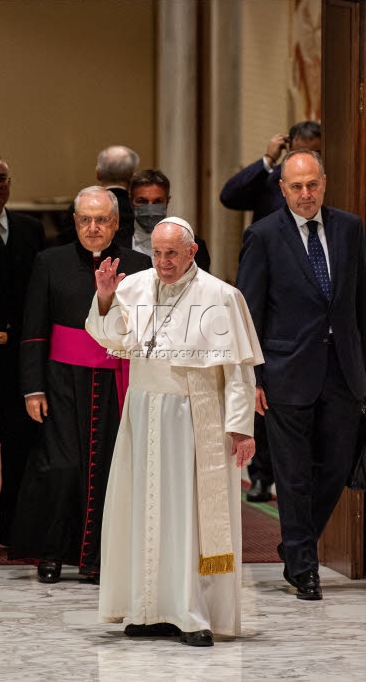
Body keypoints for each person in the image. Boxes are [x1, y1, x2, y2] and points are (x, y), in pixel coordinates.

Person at [86, 217, 263, 646]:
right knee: (144, 509)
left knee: (187, 516)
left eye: (172, 253)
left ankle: (191, 613)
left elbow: (238, 371)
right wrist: (106, 297)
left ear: (192, 252)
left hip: (194, 419)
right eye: (158, 253)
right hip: (144, 414)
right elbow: (108, 337)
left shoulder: (222, 296)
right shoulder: (135, 287)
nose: (163, 262)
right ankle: (147, 609)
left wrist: (241, 428)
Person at [236, 150, 366, 601]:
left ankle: (294, 542)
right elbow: (249, 311)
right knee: (293, 474)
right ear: (282, 189)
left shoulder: (348, 228)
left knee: (336, 467)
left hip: (343, 369)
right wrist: (253, 377)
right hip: (284, 370)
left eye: (311, 184)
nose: (305, 194)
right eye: (295, 187)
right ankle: (304, 567)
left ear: (324, 182)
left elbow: (362, 301)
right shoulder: (263, 236)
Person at [9, 186, 151, 584]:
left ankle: (96, 560)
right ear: (74, 222)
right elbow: (34, 330)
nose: (93, 227)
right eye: (85, 219)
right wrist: (32, 388)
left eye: (102, 219)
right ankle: (51, 553)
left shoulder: (140, 265)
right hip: (61, 384)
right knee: (63, 467)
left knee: (109, 469)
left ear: (116, 223)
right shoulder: (49, 262)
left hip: (116, 381)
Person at [220, 120, 321, 502]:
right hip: (270, 289)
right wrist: (266, 158)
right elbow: (229, 196)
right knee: (263, 388)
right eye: (302, 146)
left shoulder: (321, 183)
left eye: (316, 147)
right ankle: (261, 474)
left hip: (313, 296)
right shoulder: (272, 179)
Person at [0, 153, 45, 547]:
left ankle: (12, 519)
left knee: (18, 439)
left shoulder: (30, 230)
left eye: (3, 179)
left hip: (17, 353)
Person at [220, 120, 321, 222]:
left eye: (315, 154)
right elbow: (228, 197)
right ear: (289, 150)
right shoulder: (270, 179)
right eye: (300, 154)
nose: (306, 161)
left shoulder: (327, 181)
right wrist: (269, 158)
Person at [114, 168, 211, 272]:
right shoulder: (114, 242)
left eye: (157, 202)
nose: (150, 209)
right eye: (142, 201)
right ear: (131, 202)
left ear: (167, 201)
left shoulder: (193, 245)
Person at [58, 145, 140, 245]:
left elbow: (65, 243)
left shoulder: (78, 206)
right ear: (133, 177)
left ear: (98, 173)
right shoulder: (137, 209)